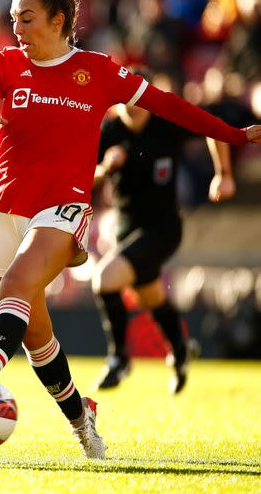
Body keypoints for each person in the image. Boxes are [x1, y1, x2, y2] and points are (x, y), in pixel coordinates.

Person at [0, 0, 261, 459]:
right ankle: (82, 420)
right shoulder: (6, 65)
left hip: (62, 206)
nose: (17, 28)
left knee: (20, 285)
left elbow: (169, 107)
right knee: (35, 333)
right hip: (4, 206)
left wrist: (232, 135)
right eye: (12, 20)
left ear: (59, 20)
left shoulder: (98, 72)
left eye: (26, 19)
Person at [92, 76, 236, 394]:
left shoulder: (165, 123)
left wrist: (223, 174)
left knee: (104, 280)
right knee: (150, 297)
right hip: (126, 231)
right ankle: (181, 349)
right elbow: (85, 180)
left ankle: (118, 359)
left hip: (163, 229)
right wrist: (105, 168)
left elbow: (213, 127)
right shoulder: (111, 132)